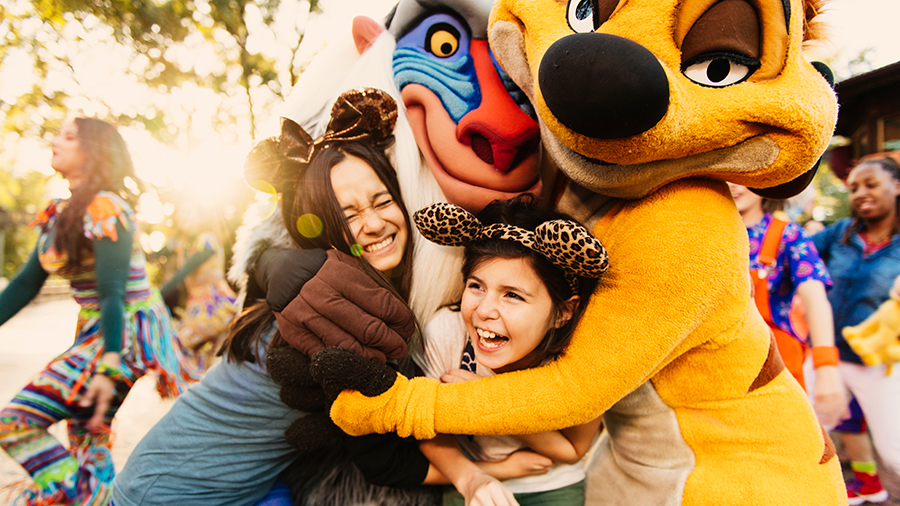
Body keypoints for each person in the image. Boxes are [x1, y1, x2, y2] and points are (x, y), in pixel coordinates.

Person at [109, 89, 549, 506]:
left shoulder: (346, 295)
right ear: (321, 226)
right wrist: (499, 468)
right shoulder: (334, 315)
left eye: (381, 202)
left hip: (238, 487)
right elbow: (384, 461)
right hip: (167, 490)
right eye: (349, 214)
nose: (374, 224)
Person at [0, 117, 200, 506]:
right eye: (58, 133)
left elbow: (112, 292)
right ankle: (96, 495)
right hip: (97, 332)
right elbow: (24, 284)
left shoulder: (108, 208)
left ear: (91, 151)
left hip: (124, 334)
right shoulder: (60, 213)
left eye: (69, 137)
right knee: (87, 437)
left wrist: (110, 366)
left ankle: (76, 494)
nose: (55, 140)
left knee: (15, 422)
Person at [412, 197, 607, 506]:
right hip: (468, 477)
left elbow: (573, 451)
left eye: (512, 295)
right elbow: (426, 430)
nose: (485, 310)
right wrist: (473, 477)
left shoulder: (583, 359)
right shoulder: (445, 334)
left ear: (562, 313)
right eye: (476, 286)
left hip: (552, 485)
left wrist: (487, 403)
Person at [812, 156, 900, 506]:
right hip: (827, 356)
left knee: (894, 450)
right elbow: (797, 259)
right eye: (854, 188)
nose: (860, 193)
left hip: (878, 362)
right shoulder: (839, 234)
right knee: (821, 426)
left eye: (871, 184)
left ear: (896, 186)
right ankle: (866, 483)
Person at [728, 183, 846, 428]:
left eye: (742, 176)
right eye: (725, 175)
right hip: (715, 363)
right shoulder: (703, 234)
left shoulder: (787, 234)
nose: (732, 183)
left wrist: (826, 367)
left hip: (775, 363)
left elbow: (815, 298)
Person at [158, 227, 239, 371]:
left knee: (175, 347)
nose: (186, 217)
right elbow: (155, 255)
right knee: (208, 366)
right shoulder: (181, 242)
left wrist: (157, 296)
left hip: (215, 307)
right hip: (200, 308)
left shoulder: (207, 240)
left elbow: (184, 271)